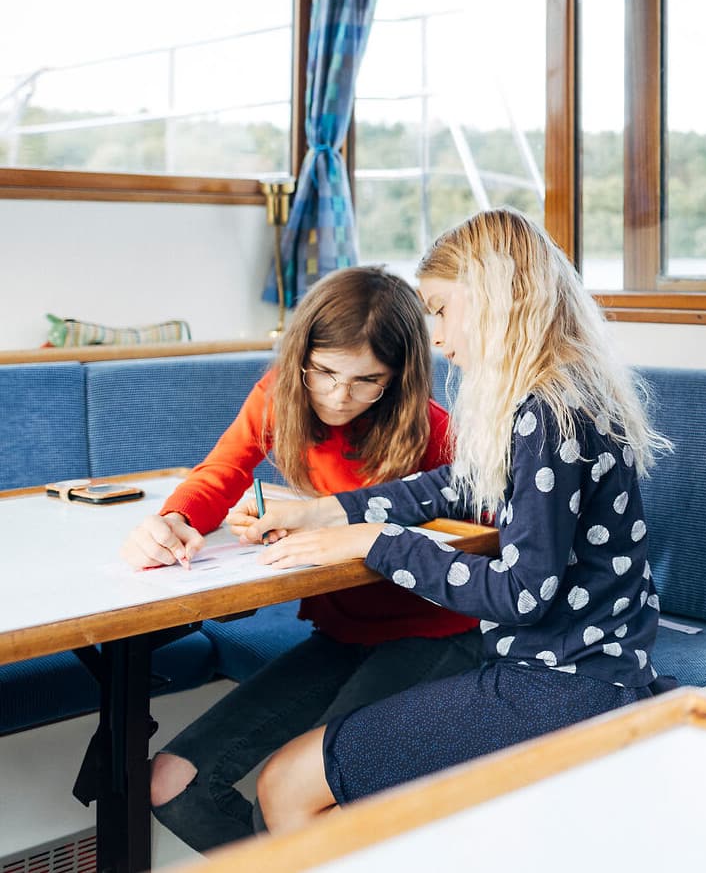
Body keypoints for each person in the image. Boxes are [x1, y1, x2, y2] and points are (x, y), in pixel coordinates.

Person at [244, 208, 670, 832]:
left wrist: (375, 543)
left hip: (559, 684)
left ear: (495, 298)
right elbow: (458, 483)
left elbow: (522, 594)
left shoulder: (546, 415)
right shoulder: (570, 390)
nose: (437, 338)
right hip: (600, 670)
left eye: (441, 309)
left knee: (285, 784)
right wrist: (328, 510)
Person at [118, 266, 479, 853]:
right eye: (327, 372)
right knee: (170, 782)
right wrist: (176, 520)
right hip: (342, 633)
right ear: (303, 355)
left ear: (399, 379)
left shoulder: (434, 432)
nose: (340, 395)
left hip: (437, 637)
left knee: (285, 796)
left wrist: (327, 515)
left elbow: (481, 538)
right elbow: (223, 472)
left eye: (368, 381)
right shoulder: (281, 392)